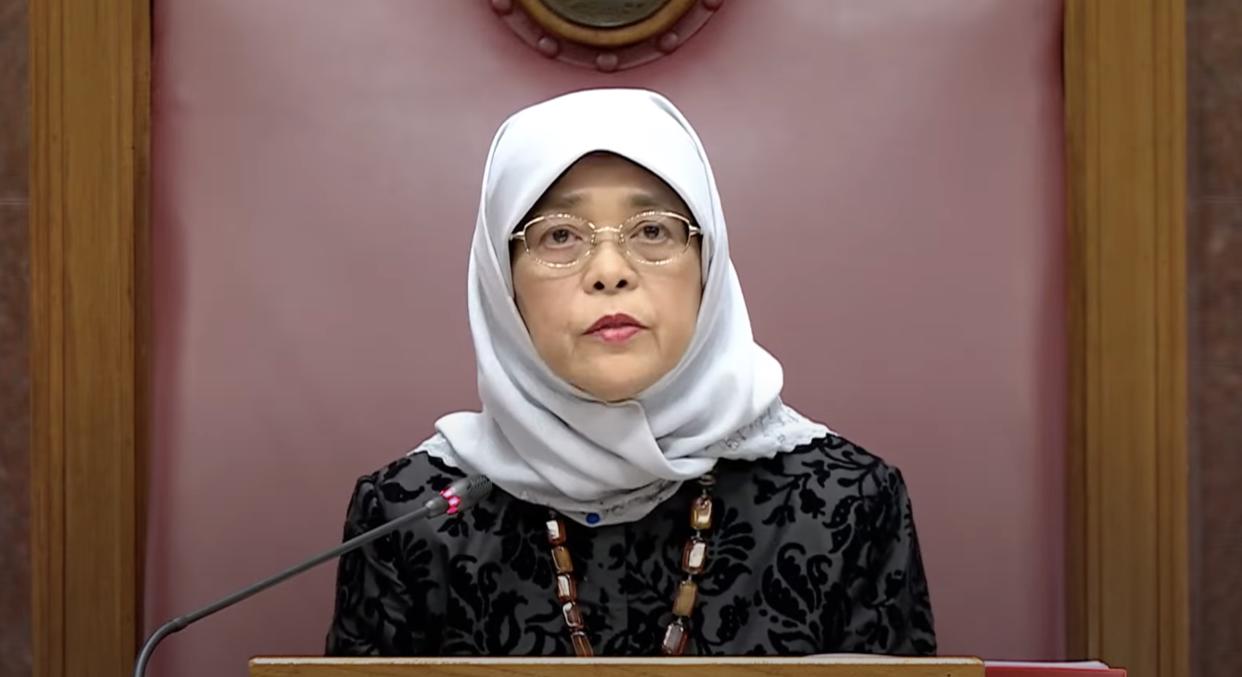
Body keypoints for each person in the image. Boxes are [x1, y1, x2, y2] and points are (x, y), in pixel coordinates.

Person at [325, 89, 935, 657]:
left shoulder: (849, 502)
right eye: (560, 235)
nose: (609, 270)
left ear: (709, 268)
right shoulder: (413, 514)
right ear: (501, 282)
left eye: (652, 231)